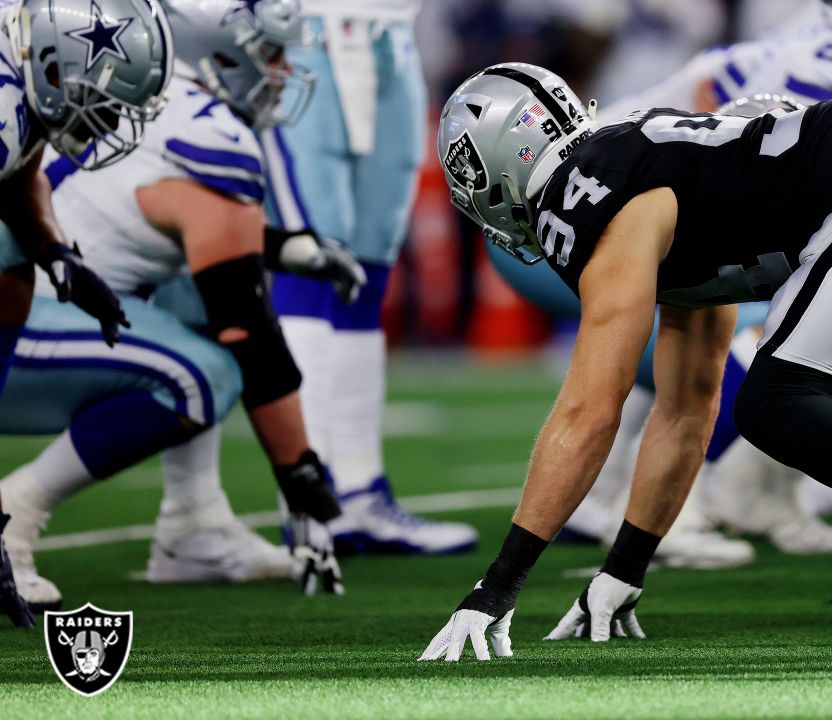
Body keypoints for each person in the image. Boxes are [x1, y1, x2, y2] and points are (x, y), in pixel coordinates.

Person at [420, 61, 832, 660]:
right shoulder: (648, 171)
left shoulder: (581, 194)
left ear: (494, 162)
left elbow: (590, 411)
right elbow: (685, 408)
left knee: (776, 400)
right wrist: (621, 573)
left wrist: (495, 587)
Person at [0, 0, 355, 611]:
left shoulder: (83, 80)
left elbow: (175, 222)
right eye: (271, 54)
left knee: (195, 287)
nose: (280, 71)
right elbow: (248, 327)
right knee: (206, 374)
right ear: (221, 47)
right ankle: (16, 513)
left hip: (45, 305)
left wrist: (284, 248)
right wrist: (299, 472)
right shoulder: (211, 133)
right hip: (28, 326)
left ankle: (195, 521)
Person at [259, 0, 477, 556]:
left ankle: (360, 492)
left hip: (394, 39)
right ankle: (308, 501)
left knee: (366, 273)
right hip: (304, 36)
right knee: (311, 262)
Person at [0, 0, 173, 628]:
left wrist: (58, 256)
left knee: (14, 250)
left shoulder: (21, 67)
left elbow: (20, 174)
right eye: (99, 102)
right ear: (50, 65)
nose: (105, 122)